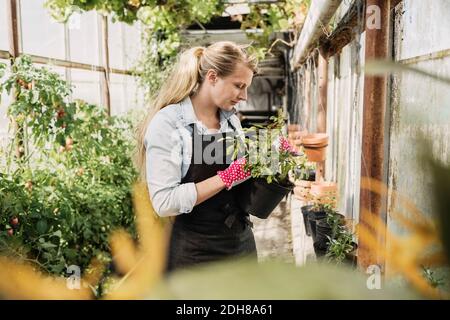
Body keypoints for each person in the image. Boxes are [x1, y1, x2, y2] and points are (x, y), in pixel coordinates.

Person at [136, 41, 259, 272]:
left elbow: (243, 174)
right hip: (195, 254)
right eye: (238, 86)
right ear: (212, 77)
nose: (244, 96)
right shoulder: (169, 123)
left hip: (241, 245)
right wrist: (228, 176)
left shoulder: (230, 119)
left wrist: (269, 161)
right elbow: (164, 202)